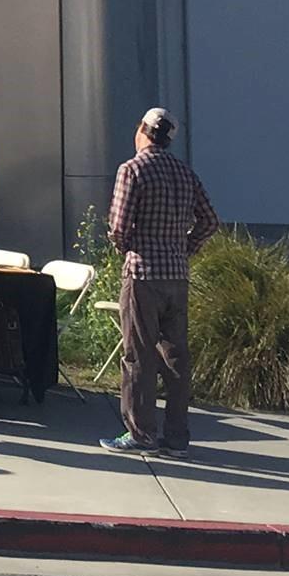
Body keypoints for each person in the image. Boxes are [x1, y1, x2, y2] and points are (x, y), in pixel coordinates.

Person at [101, 106, 218, 455]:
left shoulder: (132, 169)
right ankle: (177, 436)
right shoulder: (184, 172)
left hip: (142, 274)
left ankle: (141, 433)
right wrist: (185, 247)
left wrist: (127, 248)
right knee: (175, 358)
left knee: (138, 355)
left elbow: (119, 226)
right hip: (176, 275)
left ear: (142, 130)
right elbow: (209, 221)